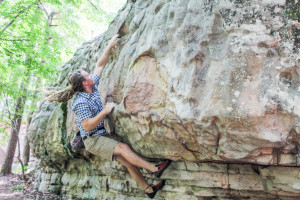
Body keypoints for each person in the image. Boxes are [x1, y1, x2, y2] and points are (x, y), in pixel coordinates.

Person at [45, 34, 172, 198]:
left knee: (127, 161)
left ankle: (148, 190)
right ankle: (155, 169)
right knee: (124, 149)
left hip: (100, 134)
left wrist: (110, 45)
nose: (91, 75)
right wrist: (104, 111)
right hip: (92, 139)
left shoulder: (92, 85)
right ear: (85, 82)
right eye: (88, 75)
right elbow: (87, 125)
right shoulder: (80, 102)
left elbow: (100, 64)